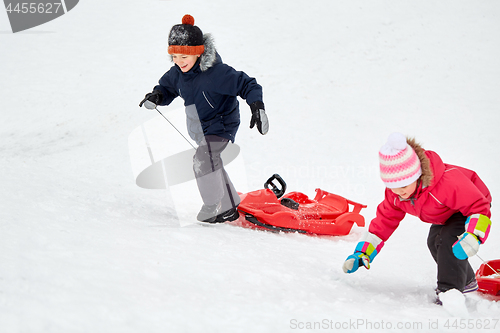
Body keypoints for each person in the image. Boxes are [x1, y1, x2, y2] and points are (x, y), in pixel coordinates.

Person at [139, 15, 269, 223]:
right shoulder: (177, 74)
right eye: (175, 56)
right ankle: (229, 204)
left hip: (222, 124)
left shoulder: (217, 74)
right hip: (200, 127)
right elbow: (166, 88)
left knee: (203, 160)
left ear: (197, 53)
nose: (179, 62)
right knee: (211, 161)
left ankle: (215, 206)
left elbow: (248, 84)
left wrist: (256, 106)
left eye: (184, 57)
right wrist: (157, 96)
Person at [342, 132, 492, 304]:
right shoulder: (396, 195)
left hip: (472, 205)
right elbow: (383, 223)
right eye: (392, 187)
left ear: (417, 176)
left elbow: (478, 207)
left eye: (403, 185)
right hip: (445, 214)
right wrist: (362, 253)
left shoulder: (446, 183)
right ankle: (466, 280)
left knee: (448, 240)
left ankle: (449, 292)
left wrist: (473, 235)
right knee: (433, 241)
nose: (399, 192)